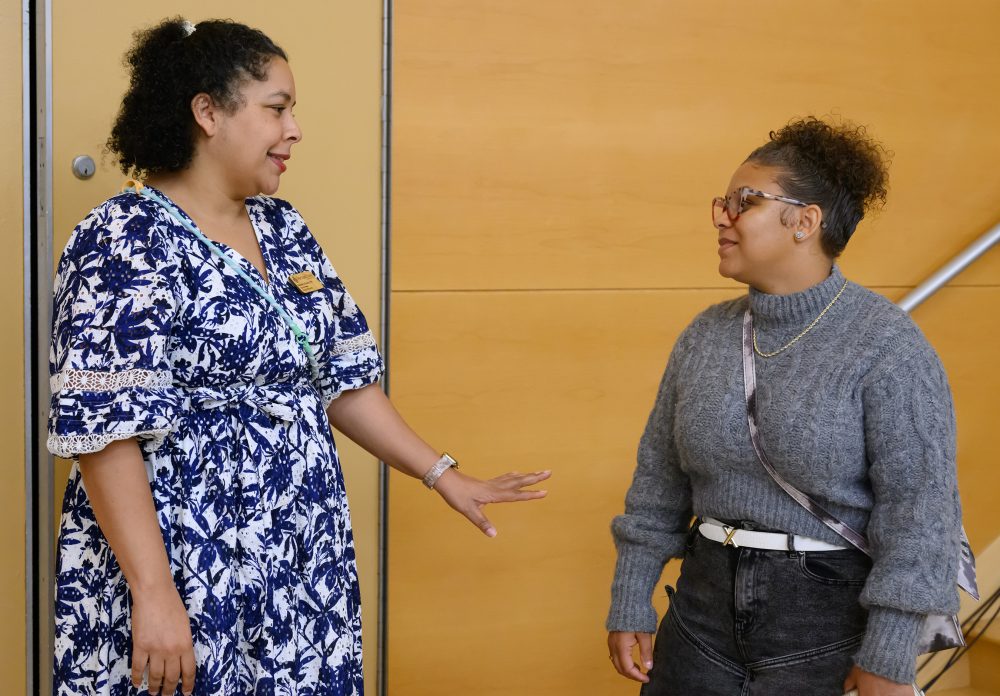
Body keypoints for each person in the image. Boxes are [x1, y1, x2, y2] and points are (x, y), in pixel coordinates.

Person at [48, 18, 550, 696]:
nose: (295, 130)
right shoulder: (119, 241)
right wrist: (154, 590)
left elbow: (341, 381)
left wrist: (441, 474)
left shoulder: (284, 230)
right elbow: (103, 434)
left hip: (297, 563)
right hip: (183, 565)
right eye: (277, 108)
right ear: (208, 113)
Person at [605, 117, 962, 695]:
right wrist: (630, 599)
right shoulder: (704, 336)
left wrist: (888, 654)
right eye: (721, 202)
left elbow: (921, 517)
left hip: (826, 623)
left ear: (805, 220)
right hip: (699, 617)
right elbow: (657, 485)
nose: (722, 216)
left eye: (744, 201)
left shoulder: (888, 346)